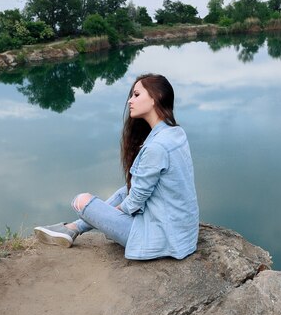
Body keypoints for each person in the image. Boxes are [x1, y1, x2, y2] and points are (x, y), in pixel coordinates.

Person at [34, 73, 199, 260]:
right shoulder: (176, 133)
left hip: (159, 239)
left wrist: (108, 215)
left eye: (136, 95)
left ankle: (74, 227)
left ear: (156, 98)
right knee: (125, 190)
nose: (130, 101)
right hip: (183, 234)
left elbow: (135, 202)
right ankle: (72, 229)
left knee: (81, 201)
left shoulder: (156, 147)